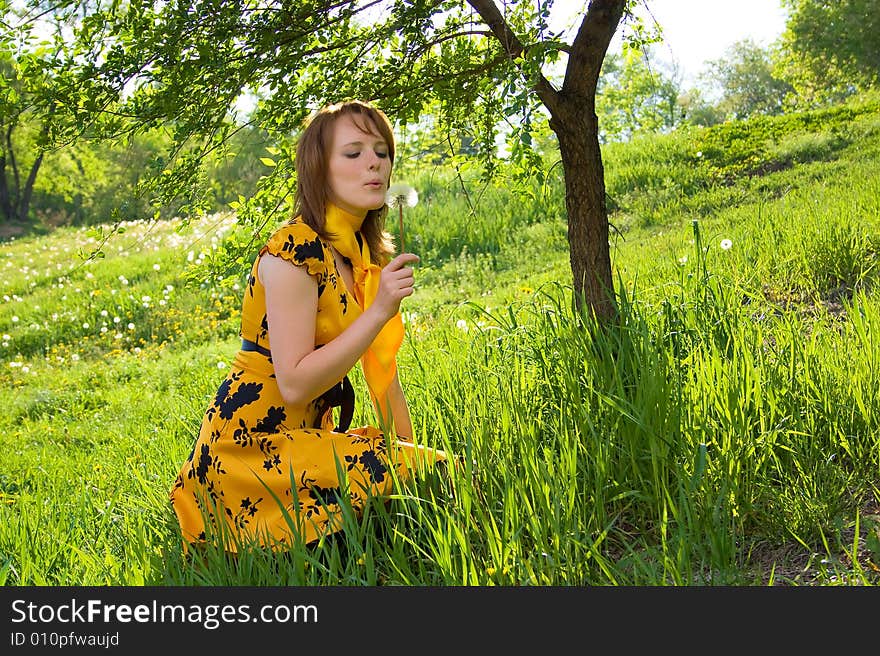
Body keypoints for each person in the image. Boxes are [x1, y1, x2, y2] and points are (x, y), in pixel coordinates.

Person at [169, 99, 446, 552]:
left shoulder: (359, 254)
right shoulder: (294, 252)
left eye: (382, 150)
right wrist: (377, 312)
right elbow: (295, 383)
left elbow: (379, 362)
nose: (374, 161)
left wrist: (407, 456)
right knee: (408, 489)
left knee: (434, 477)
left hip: (306, 437)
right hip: (252, 445)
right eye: (353, 153)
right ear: (320, 169)